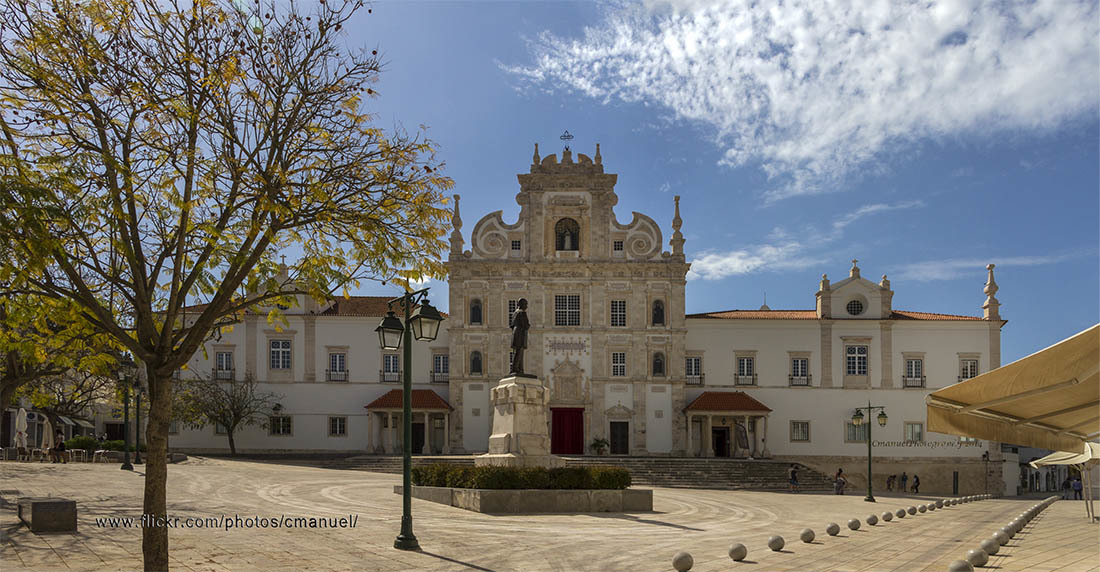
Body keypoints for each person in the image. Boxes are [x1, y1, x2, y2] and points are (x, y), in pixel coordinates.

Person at [509, 298, 532, 377]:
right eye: (526, 304)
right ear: (522, 304)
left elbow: (511, 325)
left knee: (517, 352)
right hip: (520, 333)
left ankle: (519, 369)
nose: (526, 306)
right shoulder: (522, 313)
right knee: (519, 352)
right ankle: (516, 368)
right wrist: (528, 326)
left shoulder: (515, 313)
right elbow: (525, 325)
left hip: (515, 333)